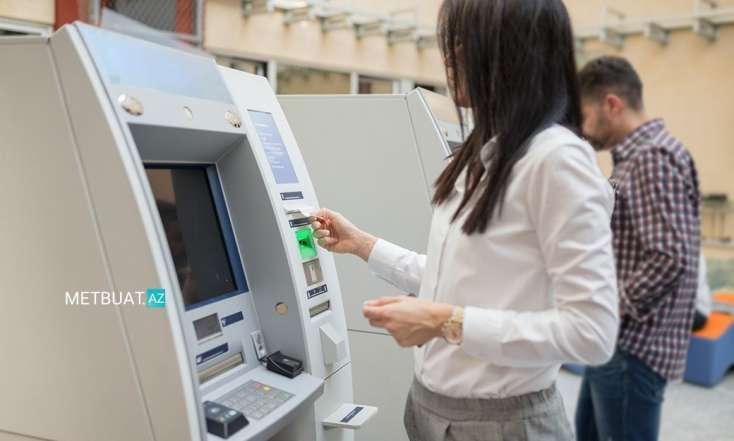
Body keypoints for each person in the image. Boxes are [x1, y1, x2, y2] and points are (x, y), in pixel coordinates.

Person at [309, 1, 619, 439]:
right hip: (430, 410)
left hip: (502, 423)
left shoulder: (556, 160)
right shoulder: (484, 152)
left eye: (463, 40)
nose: (450, 56)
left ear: (514, 51)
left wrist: (444, 322)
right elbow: (458, 281)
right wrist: (362, 244)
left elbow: (592, 332)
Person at [575, 56, 701, 441]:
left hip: (632, 347)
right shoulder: (635, 158)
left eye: (585, 115)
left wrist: (610, 306)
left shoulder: (651, 159)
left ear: (611, 104)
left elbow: (669, 257)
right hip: (617, 343)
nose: (583, 129)